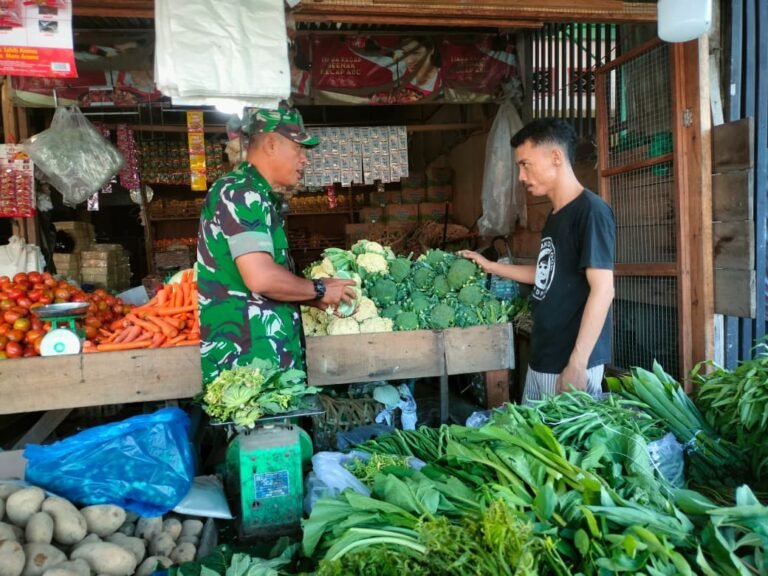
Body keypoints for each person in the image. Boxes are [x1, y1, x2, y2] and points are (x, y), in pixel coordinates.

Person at [197, 102, 356, 385]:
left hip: (264, 362)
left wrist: (311, 297)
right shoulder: (240, 193)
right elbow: (261, 278)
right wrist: (319, 288)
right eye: (298, 149)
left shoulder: (258, 195)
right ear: (270, 144)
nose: (305, 160)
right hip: (250, 366)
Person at [461, 118, 615, 402]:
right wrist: (491, 266)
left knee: (561, 432)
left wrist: (578, 363)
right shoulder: (556, 216)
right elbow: (547, 273)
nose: (521, 176)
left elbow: (604, 290)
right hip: (545, 354)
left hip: (570, 362)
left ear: (556, 157)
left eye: (525, 164)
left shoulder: (591, 212)